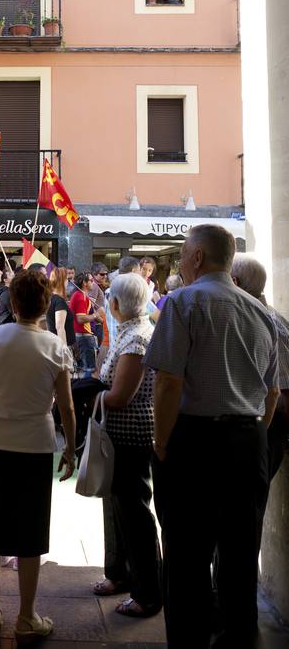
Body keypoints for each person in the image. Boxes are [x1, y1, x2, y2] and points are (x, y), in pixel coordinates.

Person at [145, 224, 279, 649]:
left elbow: (168, 382)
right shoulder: (261, 312)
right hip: (247, 440)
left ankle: (190, 641)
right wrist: (256, 432)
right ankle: (239, 638)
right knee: (240, 557)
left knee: (186, 559)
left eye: (184, 255)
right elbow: (272, 391)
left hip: (193, 442)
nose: (182, 263)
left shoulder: (183, 302)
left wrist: (162, 442)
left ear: (198, 258)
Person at [0, 269, 76, 641]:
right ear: (46, 304)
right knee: (30, 531)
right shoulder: (56, 348)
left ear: (12, 303)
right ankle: (27, 615)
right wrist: (71, 447)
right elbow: (68, 410)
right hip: (35, 446)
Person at [94, 273, 162, 617]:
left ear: (117, 304)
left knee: (135, 515)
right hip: (116, 438)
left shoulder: (137, 338)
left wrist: (88, 395)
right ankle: (119, 575)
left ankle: (148, 591)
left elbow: (120, 396)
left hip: (131, 438)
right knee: (119, 510)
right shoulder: (129, 333)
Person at [230, 253, 289, 539]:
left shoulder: (262, 321)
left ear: (235, 282)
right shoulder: (271, 317)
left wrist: (261, 430)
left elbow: (280, 391)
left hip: (265, 424)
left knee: (245, 516)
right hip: (264, 425)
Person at [69, 272, 101, 372]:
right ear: (84, 283)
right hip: (84, 336)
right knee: (89, 369)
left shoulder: (81, 295)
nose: (93, 283)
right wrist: (96, 315)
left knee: (86, 368)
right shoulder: (80, 297)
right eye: (91, 280)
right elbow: (80, 319)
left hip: (83, 336)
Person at [46, 267, 75, 351]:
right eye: (66, 279)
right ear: (62, 281)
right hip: (60, 346)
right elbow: (59, 326)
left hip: (54, 344)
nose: (67, 282)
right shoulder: (59, 300)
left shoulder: (50, 298)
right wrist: (64, 350)